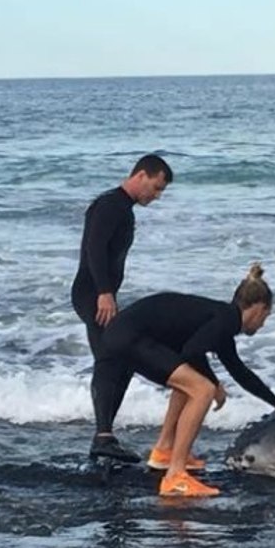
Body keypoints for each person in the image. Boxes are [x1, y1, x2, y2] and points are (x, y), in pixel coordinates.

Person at [92, 263, 275, 497]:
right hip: (128, 337)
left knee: (188, 383)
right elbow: (192, 352)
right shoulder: (224, 321)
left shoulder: (222, 319)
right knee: (202, 389)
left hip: (123, 334)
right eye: (265, 317)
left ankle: (164, 451)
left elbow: (239, 371)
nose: (263, 324)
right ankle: (175, 476)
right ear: (258, 308)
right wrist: (214, 384)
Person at [73, 154, 173, 462]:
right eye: (156, 188)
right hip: (92, 294)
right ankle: (103, 437)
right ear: (141, 175)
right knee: (109, 358)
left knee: (125, 358)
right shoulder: (110, 205)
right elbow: (95, 249)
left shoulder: (122, 208)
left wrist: (108, 292)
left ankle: (105, 435)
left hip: (101, 293)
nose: (156, 196)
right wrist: (104, 292)